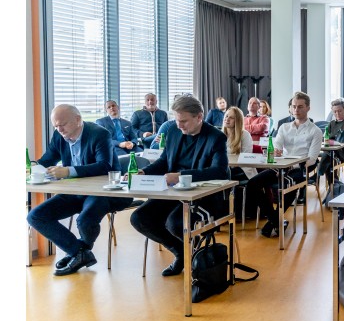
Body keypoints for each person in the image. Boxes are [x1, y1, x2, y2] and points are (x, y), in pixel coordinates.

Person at [130, 95, 230, 276]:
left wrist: (180, 176)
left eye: (183, 121)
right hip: (172, 192)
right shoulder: (173, 132)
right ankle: (182, 252)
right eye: (176, 120)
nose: (179, 125)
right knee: (139, 218)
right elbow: (163, 162)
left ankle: (192, 255)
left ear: (199, 117)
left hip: (202, 195)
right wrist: (144, 172)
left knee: (175, 223)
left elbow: (220, 172)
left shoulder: (216, 137)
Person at [27, 104, 127, 276]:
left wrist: (68, 171)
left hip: (102, 191)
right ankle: (79, 252)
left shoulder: (99, 134)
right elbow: (47, 159)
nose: (59, 129)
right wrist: (33, 167)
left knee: (85, 220)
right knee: (35, 216)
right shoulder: (59, 135)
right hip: (75, 191)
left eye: (62, 124)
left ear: (78, 120)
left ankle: (78, 253)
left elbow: (105, 166)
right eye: (55, 126)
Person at [245, 92, 322, 237]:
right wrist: (276, 151)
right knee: (252, 183)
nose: (296, 110)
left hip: (301, 167)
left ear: (308, 108)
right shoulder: (284, 127)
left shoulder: (315, 131)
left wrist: (294, 164)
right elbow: (277, 146)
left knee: (289, 184)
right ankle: (276, 220)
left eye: (300, 107)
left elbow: (312, 159)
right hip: (282, 165)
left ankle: (273, 222)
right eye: (294, 106)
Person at [222, 106, 256, 180]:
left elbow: (246, 157)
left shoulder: (245, 135)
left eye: (231, 118)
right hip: (225, 167)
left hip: (242, 169)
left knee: (221, 175)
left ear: (237, 121)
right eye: (226, 116)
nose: (227, 119)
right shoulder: (219, 134)